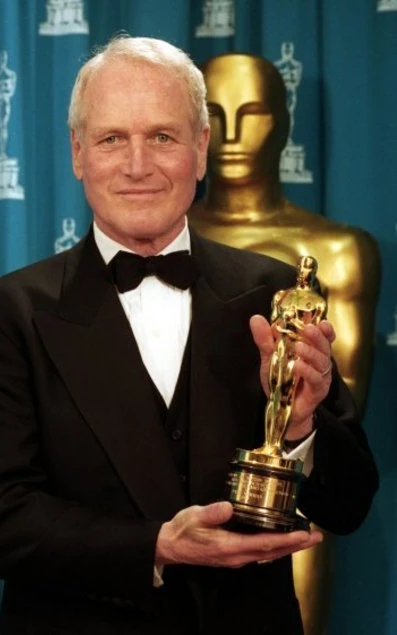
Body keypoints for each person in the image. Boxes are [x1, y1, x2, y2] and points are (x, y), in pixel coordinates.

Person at [0, 37, 378, 635]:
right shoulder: (6, 316)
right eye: (111, 139)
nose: (137, 166)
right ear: (77, 152)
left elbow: (350, 505)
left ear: (200, 149)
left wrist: (302, 426)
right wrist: (155, 545)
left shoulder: (277, 295)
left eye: (161, 137)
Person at [189, 52, 381, 634]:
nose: (232, 135)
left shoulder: (339, 250)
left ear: (284, 122)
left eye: (251, 113)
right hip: (168, 510)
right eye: (215, 115)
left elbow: (343, 412)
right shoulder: (156, 240)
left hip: (294, 501)